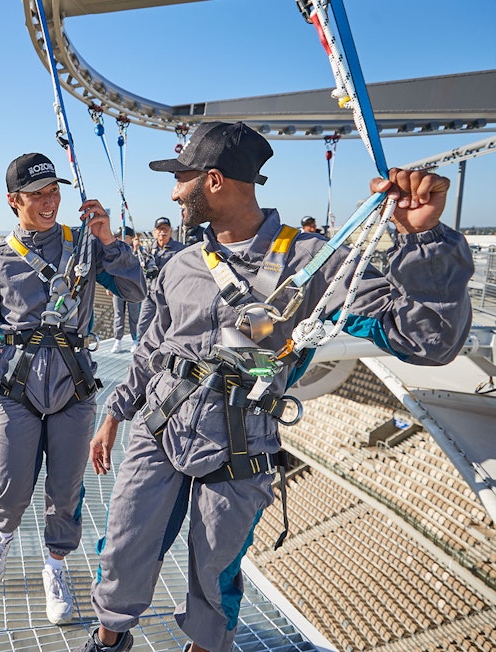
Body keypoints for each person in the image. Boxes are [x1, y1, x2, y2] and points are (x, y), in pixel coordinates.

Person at [80, 122, 473, 652]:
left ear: (213, 181)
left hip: (240, 445)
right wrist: (114, 414)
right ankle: (108, 641)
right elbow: (153, 347)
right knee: (123, 553)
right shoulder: (179, 264)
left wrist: (422, 239)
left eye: (182, 179)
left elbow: (429, 340)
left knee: (213, 581)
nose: (174, 193)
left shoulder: (315, 262)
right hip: (160, 427)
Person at [0, 152, 147, 625]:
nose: (49, 201)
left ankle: (55, 565)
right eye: (37, 194)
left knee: (65, 491)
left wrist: (109, 240)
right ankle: (1, 535)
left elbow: (136, 290)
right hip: (17, 391)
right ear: (13, 201)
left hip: (73, 389)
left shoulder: (84, 245)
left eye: (54, 191)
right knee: (13, 485)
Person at [110, 226, 142, 353]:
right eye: (118, 237)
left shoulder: (138, 250)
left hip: (133, 288)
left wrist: (135, 249)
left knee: (134, 315)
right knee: (118, 314)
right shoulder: (116, 251)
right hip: (118, 286)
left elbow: (140, 265)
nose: (121, 239)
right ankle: (118, 340)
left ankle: (135, 339)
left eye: (124, 237)